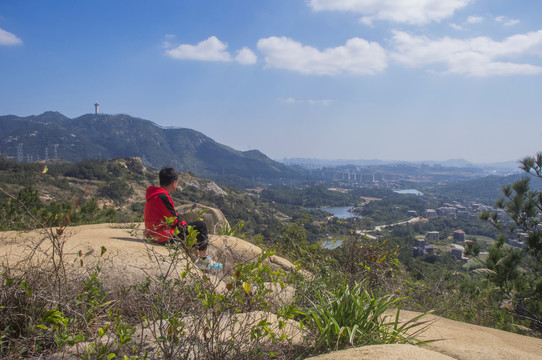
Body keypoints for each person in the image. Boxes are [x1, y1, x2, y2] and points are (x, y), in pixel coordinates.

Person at [144, 167, 223, 270]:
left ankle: (196, 253)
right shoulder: (162, 197)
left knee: (189, 225)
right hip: (162, 235)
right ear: (174, 182)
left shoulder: (153, 194)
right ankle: (203, 260)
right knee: (200, 225)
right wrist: (185, 226)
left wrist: (185, 224)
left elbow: (172, 217)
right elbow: (174, 220)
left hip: (153, 233)